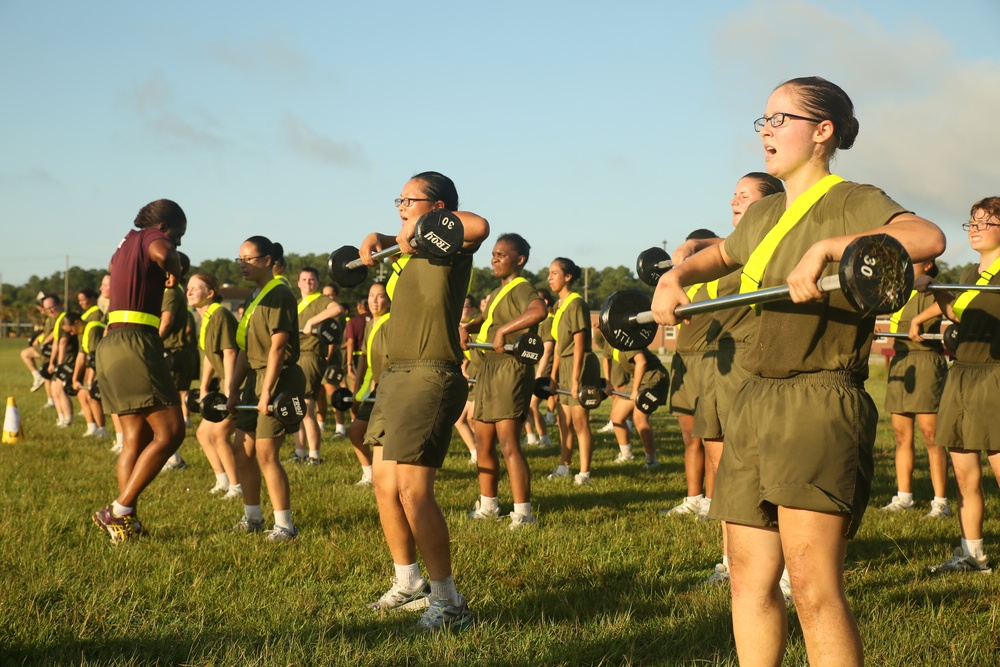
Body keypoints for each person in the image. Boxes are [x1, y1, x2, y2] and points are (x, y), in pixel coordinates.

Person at [650, 76, 944, 666]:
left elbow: (925, 237)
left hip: (818, 397)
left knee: (812, 590)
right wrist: (676, 275)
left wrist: (833, 246)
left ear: (822, 132)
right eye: (762, 121)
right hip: (751, 400)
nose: (766, 132)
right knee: (746, 581)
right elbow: (724, 252)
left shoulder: (851, 197)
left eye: (779, 119)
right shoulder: (763, 214)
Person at [361, 171, 488, 631]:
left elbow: (479, 225)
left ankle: (450, 604)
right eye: (399, 199)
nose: (400, 205)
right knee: (383, 483)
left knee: (414, 492)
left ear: (437, 209)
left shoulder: (450, 244)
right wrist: (378, 239)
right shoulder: (407, 254)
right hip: (395, 376)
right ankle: (408, 582)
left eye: (409, 199)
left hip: (431, 374)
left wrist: (416, 232)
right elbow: (385, 243)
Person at [673, 173, 785, 587]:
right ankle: (731, 561)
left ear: (770, 205)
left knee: (761, 471)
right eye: (733, 194)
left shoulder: (773, 243)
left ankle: (785, 570)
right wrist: (690, 247)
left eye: (745, 195)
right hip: (715, 368)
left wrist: (699, 247)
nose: (734, 200)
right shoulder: (731, 247)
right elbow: (720, 246)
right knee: (720, 469)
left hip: (750, 368)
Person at [92, 198, 189, 543]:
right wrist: (175, 272)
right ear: (163, 227)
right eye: (177, 236)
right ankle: (117, 510)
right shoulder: (151, 237)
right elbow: (164, 254)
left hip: (111, 343)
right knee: (172, 432)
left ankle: (125, 523)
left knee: (136, 438)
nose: (177, 243)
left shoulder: (122, 246)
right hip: (137, 342)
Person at [926, 197, 1000, 574]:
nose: (974, 228)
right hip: (961, 375)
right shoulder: (970, 273)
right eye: (972, 222)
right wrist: (937, 290)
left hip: (995, 376)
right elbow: (959, 314)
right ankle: (974, 555)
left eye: (985, 222)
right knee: (965, 476)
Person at [465, 234, 546, 528]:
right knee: (482, 440)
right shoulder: (500, 291)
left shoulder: (522, 287)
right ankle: (489, 506)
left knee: (509, 443)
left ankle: (523, 514)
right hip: (489, 368)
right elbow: (487, 320)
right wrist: (467, 327)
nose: (494, 259)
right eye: (493, 254)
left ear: (519, 260)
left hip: (510, 368)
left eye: (501, 254)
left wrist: (504, 332)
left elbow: (539, 311)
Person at [227, 236, 305, 542]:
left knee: (265, 453)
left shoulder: (280, 293)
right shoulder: (253, 296)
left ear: (268, 260)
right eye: (240, 259)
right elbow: (245, 350)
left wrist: (267, 393)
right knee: (241, 449)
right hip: (254, 380)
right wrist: (234, 389)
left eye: (249, 258)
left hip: (278, 379)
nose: (243, 265)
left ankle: (285, 526)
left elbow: (278, 346)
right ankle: (253, 517)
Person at [879, 259, 951, 518]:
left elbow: (948, 301)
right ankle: (904, 497)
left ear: (929, 264)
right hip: (901, 361)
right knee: (901, 436)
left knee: (932, 437)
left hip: (925, 361)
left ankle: (941, 503)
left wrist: (919, 319)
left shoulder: (932, 284)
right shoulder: (899, 287)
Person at [660, 229, 717, 517]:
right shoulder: (682, 285)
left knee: (711, 438)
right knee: (689, 437)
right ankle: (693, 498)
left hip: (710, 361)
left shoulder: (719, 281)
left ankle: (711, 501)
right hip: (683, 361)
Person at [187, 272, 242, 500]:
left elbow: (230, 354)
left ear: (210, 293)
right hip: (224, 384)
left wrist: (230, 391)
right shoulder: (206, 318)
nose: (189, 291)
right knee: (202, 433)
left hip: (241, 385)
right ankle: (222, 481)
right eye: (188, 287)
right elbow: (210, 356)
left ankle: (238, 487)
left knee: (219, 435)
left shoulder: (220, 315)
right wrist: (204, 387)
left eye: (195, 288)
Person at [546, 257, 600, 485]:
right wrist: (554, 376)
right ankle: (564, 466)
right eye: (548, 273)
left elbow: (579, 344)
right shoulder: (559, 306)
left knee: (580, 422)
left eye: (554, 273)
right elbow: (559, 345)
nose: (549, 278)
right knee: (563, 421)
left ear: (568, 277)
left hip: (581, 364)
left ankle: (584, 472)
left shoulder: (576, 303)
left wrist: (576, 379)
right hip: (566, 365)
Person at [293, 266, 345, 465]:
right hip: (295, 358)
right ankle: (299, 452)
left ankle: (314, 455)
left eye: (312, 279)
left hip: (310, 356)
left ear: (317, 283)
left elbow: (336, 309)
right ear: (298, 282)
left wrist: (312, 322)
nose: (308, 283)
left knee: (307, 407)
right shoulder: (297, 304)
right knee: (296, 408)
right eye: (304, 279)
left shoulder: (321, 301)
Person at [347, 281, 391, 486]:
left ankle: (387, 478)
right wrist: (356, 390)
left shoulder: (392, 322)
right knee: (356, 431)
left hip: (393, 389)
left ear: (389, 300)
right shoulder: (369, 324)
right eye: (371, 295)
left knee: (384, 439)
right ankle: (370, 474)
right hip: (377, 389)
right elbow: (364, 358)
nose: (374, 300)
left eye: (380, 295)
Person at [601, 345, 668, 470]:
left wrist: (636, 390)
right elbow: (606, 358)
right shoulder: (610, 339)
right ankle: (626, 455)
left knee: (639, 418)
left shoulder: (627, 339)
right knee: (616, 416)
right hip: (638, 376)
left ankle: (651, 461)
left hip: (653, 375)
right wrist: (608, 382)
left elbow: (642, 362)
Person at [523, 288, 555, 448]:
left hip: (544, 371)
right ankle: (532, 437)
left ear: (546, 302)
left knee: (532, 406)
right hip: (536, 369)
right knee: (528, 407)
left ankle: (544, 439)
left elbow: (548, 349)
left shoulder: (548, 321)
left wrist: (540, 374)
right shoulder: (540, 321)